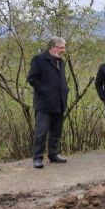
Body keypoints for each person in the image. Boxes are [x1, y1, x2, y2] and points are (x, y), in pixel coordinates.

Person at [27, 37, 69, 169]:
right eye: (62, 47)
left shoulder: (60, 61)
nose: (64, 50)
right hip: (44, 103)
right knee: (41, 131)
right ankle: (37, 158)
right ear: (54, 47)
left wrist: (65, 90)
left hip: (59, 102)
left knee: (56, 131)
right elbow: (32, 78)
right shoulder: (39, 59)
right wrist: (43, 90)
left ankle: (53, 154)